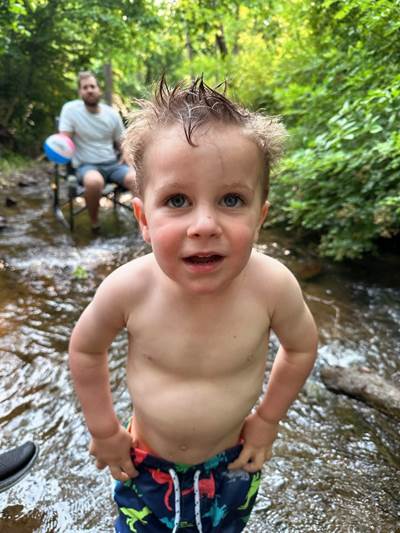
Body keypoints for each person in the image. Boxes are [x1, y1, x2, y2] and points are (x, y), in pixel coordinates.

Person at [69, 78, 318, 532]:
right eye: (177, 200)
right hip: (143, 464)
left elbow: (301, 347)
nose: (204, 224)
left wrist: (267, 420)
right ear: (144, 219)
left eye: (231, 200)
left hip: (232, 463)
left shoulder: (273, 286)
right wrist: (105, 431)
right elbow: (86, 349)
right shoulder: (128, 288)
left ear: (260, 215)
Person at [58, 71, 136, 230]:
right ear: (80, 92)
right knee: (94, 182)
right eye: (85, 87)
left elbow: (123, 142)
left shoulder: (111, 113)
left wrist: (127, 155)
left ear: (98, 90)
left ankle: (144, 223)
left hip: (113, 164)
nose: (89, 90)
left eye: (92, 86)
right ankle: (95, 222)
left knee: (136, 178)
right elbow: (63, 140)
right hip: (86, 166)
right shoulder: (70, 110)